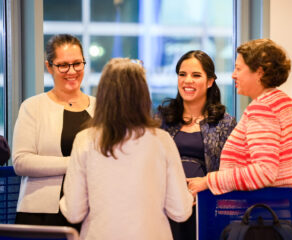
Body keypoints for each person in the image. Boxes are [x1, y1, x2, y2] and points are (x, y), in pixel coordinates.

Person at [60, 58, 193, 240]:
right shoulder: (161, 140)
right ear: (143, 95)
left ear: (104, 95)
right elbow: (180, 211)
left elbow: (74, 212)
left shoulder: (85, 140)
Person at [188, 39, 292, 207]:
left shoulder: (263, 108)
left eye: (239, 69)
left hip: (263, 217)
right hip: (283, 213)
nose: (234, 74)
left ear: (260, 72)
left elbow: (264, 172)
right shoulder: (286, 104)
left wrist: (208, 181)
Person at [12, 34, 94, 229]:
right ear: (49, 67)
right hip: (40, 215)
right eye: (63, 65)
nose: (72, 71)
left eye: (77, 63)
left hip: (90, 211)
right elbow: (21, 162)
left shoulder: (101, 108)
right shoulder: (33, 107)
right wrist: (75, 162)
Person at [157, 50, 236, 240]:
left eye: (196, 75)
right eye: (182, 75)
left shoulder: (225, 123)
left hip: (207, 206)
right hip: (164, 206)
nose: (187, 81)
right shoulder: (161, 119)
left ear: (210, 81)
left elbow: (231, 170)